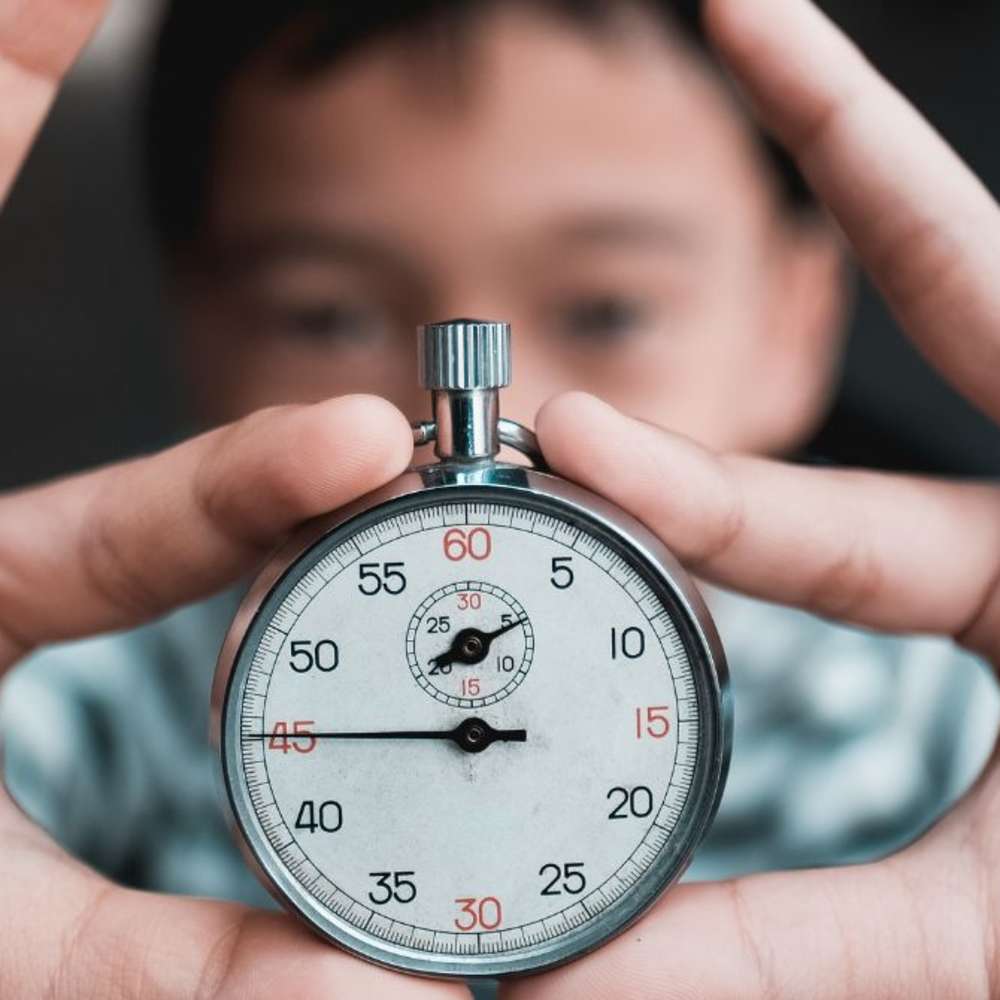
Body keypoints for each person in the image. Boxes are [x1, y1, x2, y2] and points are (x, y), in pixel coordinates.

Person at [1, 0, 998, 996]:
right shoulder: (113, 698)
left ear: (799, 315)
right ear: (196, 321)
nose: (513, 400)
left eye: (607, 308)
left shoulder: (935, 712)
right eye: (327, 313)